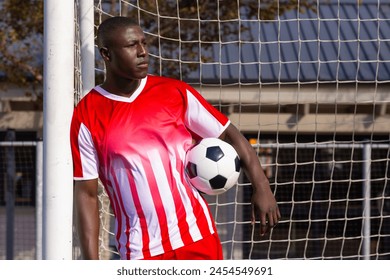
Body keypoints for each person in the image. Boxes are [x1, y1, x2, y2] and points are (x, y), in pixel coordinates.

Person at [70, 16, 281, 260]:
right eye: (131, 45)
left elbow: (230, 134)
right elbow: (86, 193)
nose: (142, 52)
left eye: (144, 43)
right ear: (107, 54)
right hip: (140, 251)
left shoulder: (174, 93)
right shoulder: (87, 114)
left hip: (198, 237)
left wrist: (262, 186)